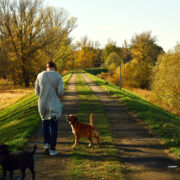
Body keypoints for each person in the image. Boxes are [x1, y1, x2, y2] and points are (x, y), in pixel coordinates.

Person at [35, 61, 64, 156]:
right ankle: (52, 149)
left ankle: (46, 144)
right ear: (55, 68)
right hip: (53, 104)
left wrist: (44, 95)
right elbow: (60, 92)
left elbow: (37, 92)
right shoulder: (58, 76)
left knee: (45, 123)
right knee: (53, 126)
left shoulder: (40, 75)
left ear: (46, 67)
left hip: (42, 104)